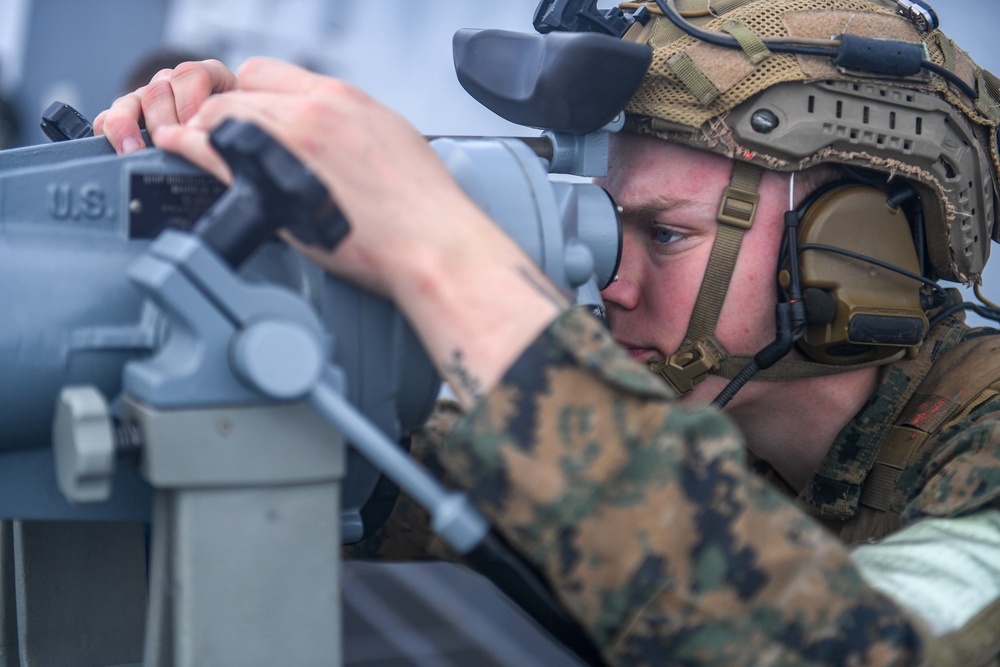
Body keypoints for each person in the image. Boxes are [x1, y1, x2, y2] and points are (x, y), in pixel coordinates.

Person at [94, 0, 1000, 664]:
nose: (611, 281)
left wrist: (445, 261)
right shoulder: (693, 421)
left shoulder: (984, 435)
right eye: (610, 228)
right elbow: (385, 499)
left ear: (851, 246)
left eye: (667, 234)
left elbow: (827, 647)